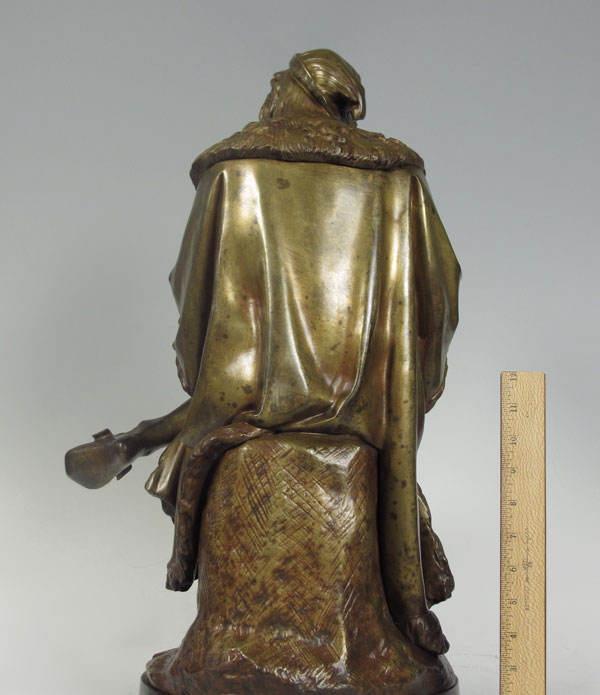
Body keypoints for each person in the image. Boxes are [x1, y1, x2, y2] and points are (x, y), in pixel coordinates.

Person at [66, 49, 460, 656]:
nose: (269, 95)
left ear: (299, 88)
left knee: (224, 399)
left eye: (278, 84)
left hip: (247, 391)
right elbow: (440, 295)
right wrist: (415, 383)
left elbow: (193, 294)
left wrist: (198, 370)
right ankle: (408, 609)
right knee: (239, 399)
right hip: (365, 405)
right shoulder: (397, 179)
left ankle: (137, 440)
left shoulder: (234, 171)